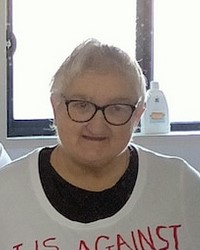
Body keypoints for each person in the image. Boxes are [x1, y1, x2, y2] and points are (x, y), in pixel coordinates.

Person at [0, 38, 199, 250]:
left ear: (138, 115)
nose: (97, 126)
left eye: (117, 108)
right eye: (81, 105)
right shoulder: (7, 192)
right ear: (55, 107)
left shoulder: (180, 184)